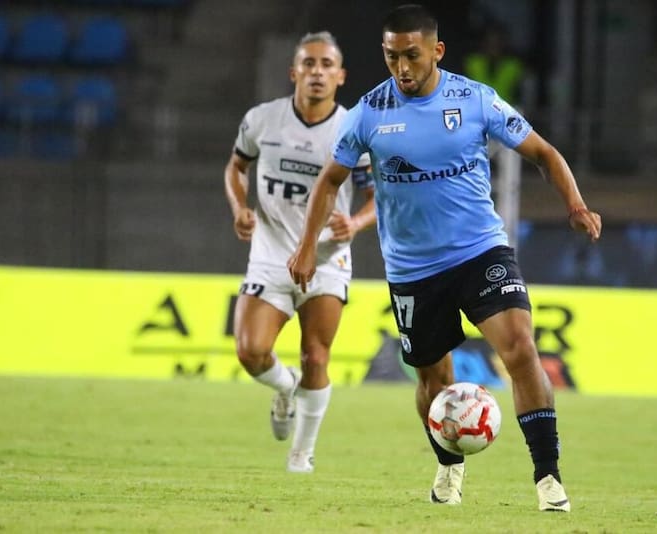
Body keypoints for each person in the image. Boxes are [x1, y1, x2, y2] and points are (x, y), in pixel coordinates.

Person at [288, 4, 601, 511]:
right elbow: (330, 179)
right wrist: (308, 247)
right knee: (435, 381)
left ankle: (549, 479)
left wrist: (576, 204)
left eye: (412, 55)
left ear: (437, 51)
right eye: (392, 57)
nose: (402, 68)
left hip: (480, 250)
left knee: (520, 347)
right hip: (413, 268)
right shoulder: (370, 111)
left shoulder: (475, 99)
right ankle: (450, 467)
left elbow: (543, 152)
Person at [224, 31, 374, 473]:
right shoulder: (262, 120)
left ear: (341, 76)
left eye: (327, 65)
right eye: (308, 63)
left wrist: (357, 222)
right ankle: (286, 388)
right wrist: (239, 206)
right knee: (250, 352)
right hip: (270, 252)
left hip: (327, 256)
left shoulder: (351, 129)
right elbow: (236, 166)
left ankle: (301, 455)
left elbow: (378, 196)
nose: (317, 72)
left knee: (317, 356)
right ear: (294, 72)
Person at [464, 23, 526, 107]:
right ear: (483, 43)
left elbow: (522, 95)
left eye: (498, 42)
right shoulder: (473, 62)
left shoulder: (513, 66)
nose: (494, 46)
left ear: (504, 43)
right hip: (477, 111)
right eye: (490, 42)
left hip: (506, 112)